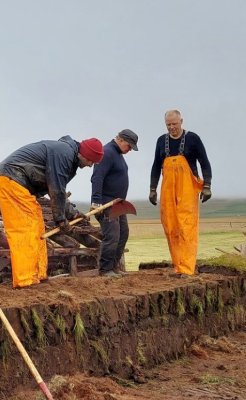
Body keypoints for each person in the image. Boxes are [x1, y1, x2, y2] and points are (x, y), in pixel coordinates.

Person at [0, 136, 104, 288]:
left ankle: (38, 275)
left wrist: (72, 214)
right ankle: (26, 280)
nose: (90, 166)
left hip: (20, 183)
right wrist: (60, 220)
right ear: (84, 154)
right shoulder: (64, 154)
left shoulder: (67, 156)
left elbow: (59, 189)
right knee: (25, 229)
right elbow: (56, 189)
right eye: (91, 161)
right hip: (12, 179)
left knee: (37, 227)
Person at [149, 109, 212, 275]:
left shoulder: (193, 138)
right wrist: (152, 188)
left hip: (188, 188)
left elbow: (205, 163)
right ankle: (178, 266)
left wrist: (207, 186)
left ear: (181, 121)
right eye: (168, 124)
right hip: (168, 188)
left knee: (187, 226)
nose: (171, 127)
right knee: (170, 226)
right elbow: (156, 166)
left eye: (174, 124)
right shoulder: (161, 141)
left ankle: (187, 268)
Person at [90, 129, 138, 278]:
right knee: (112, 235)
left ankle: (114, 267)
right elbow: (97, 177)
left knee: (123, 233)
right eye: (129, 146)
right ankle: (105, 269)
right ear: (121, 140)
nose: (129, 150)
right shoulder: (107, 152)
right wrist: (96, 201)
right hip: (106, 202)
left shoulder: (117, 154)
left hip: (118, 203)